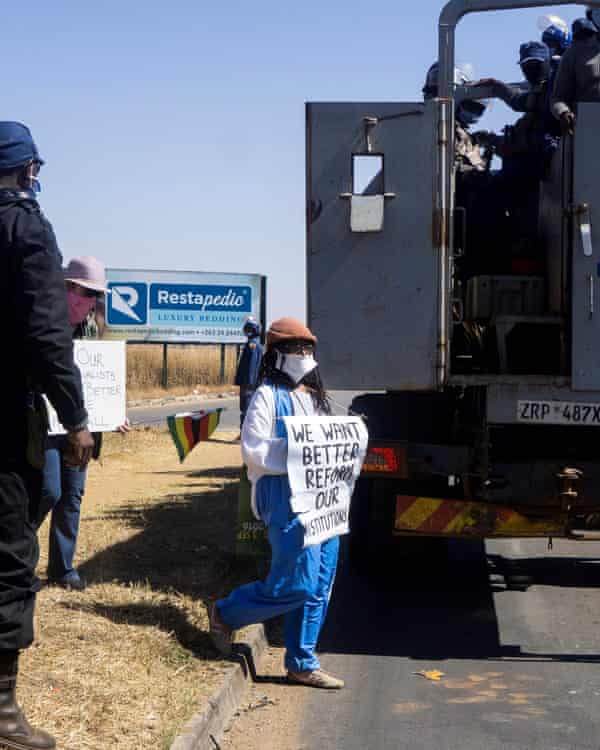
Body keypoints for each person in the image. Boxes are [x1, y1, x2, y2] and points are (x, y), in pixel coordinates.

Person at [0, 121, 94, 749]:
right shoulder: (25, 227)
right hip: (6, 420)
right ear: (28, 170)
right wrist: (77, 417)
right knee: (9, 555)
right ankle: (3, 716)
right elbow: (47, 336)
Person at [208, 317, 344, 689]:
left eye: (308, 348)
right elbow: (253, 451)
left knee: (318, 586)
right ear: (277, 355)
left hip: (323, 502)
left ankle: (302, 661)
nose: (303, 355)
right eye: (295, 349)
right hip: (285, 500)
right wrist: (300, 451)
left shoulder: (316, 399)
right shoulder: (267, 395)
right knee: (294, 585)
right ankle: (225, 612)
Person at [36, 256, 128, 591]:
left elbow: (98, 381)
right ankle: (15, 556)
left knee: (71, 495)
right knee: (47, 490)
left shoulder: (92, 328)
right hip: (43, 424)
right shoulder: (41, 321)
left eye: (94, 294)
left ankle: (62, 569)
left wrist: (113, 412)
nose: (89, 300)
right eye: (84, 291)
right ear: (66, 287)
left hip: (80, 429)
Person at [552, 16, 600, 134]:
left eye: (588, 35)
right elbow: (557, 98)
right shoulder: (572, 54)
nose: (586, 41)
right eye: (581, 37)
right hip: (589, 125)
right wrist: (563, 113)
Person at [234, 316, 263, 429]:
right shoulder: (253, 344)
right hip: (249, 382)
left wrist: (249, 384)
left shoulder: (253, 345)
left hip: (249, 383)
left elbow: (251, 366)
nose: (246, 331)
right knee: (247, 408)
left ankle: (244, 433)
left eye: (248, 328)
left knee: (246, 408)